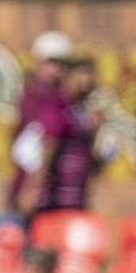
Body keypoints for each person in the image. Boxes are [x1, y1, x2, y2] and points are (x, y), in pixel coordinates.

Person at [9, 30, 71, 216]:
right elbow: (33, 147)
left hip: (59, 190)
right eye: (51, 62)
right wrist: (31, 189)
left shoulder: (64, 98)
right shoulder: (32, 96)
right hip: (31, 189)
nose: (55, 69)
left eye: (60, 63)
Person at [32, 58, 104, 214]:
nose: (87, 80)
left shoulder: (82, 111)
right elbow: (47, 147)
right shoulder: (57, 107)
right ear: (68, 76)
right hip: (54, 199)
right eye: (82, 74)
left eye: (90, 75)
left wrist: (96, 130)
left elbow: (92, 156)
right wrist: (33, 189)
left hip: (75, 197)